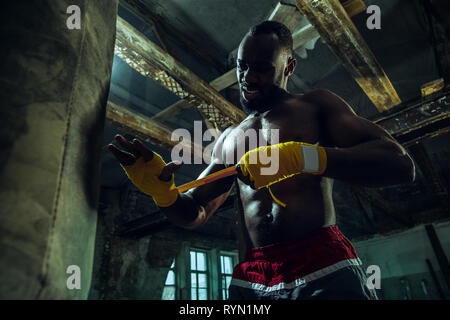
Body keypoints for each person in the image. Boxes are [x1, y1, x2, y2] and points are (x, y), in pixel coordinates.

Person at [108, 21, 415, 300]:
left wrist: (300, 156)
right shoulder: (230, 138)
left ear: (289, 66)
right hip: (252, 279)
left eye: (262, 68)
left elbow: (399, 164)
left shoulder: (315, 106)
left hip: (321, 262)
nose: (248, 77)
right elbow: (196, 210)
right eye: (242, 66)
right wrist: (162, 193)